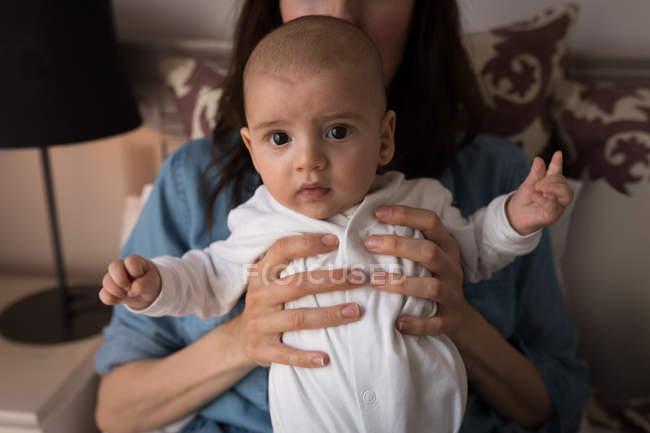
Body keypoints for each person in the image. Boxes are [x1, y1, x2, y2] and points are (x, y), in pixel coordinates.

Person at [95, 2, 589, 433]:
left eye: (337, 131)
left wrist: (513, 223)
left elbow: (483, 246)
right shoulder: (246, 213)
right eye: (279, 138)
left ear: (384, 138)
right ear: (253, 145)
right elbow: (203, 278)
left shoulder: (440, 193)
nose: (339, 10)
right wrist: (159, 287)